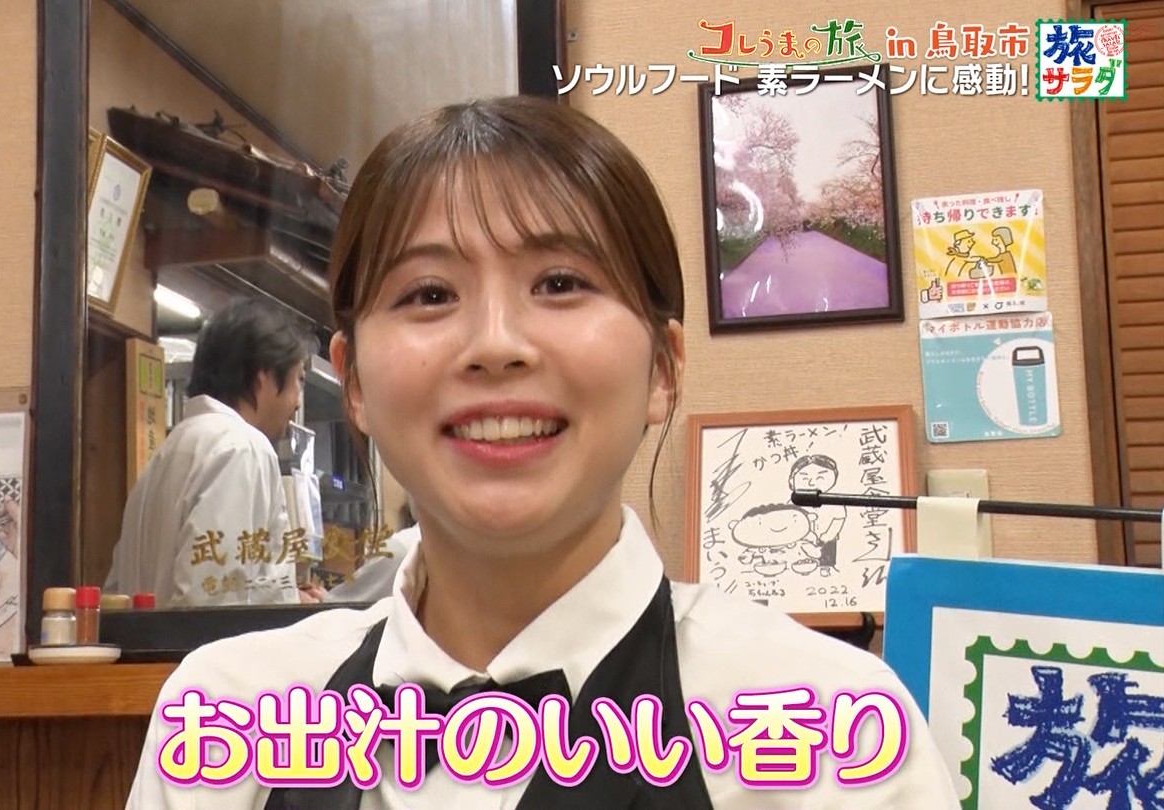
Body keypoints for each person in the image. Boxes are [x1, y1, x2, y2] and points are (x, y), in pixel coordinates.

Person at [124, 96, 960, 808]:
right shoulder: (231, 715)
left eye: (560, 283)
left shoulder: (831, 731)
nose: (496, 344)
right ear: (355, 385)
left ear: (663, 369)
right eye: (429, 293)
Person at [105, 297, 322, 607]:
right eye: (298, 380)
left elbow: (116, 593)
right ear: (263, 375)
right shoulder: (243, 447)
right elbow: (214, 603)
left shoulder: (165, 454)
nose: (298, 401)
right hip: (203, 641)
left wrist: (289, 597)